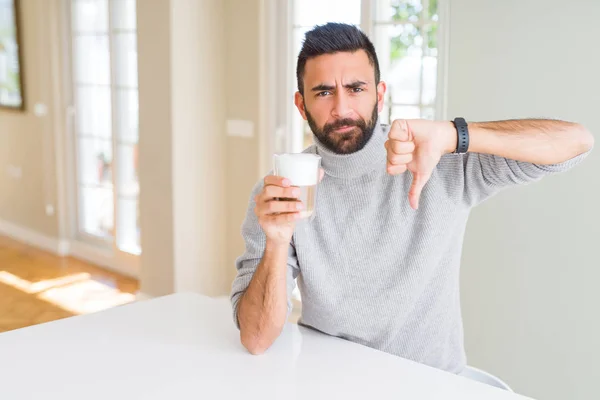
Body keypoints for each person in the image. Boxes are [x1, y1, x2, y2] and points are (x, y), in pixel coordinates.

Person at [230, 22, 594, 374]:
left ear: (380, 94)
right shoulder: (279, 193)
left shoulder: (438, 159)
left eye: (356, 88)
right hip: (331, 379)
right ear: (301, 104)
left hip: (429, 383)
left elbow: (576, 142)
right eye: (323, 92)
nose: (341, 108)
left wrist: (455, 136)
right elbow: (257, 338)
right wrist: (276, 244)